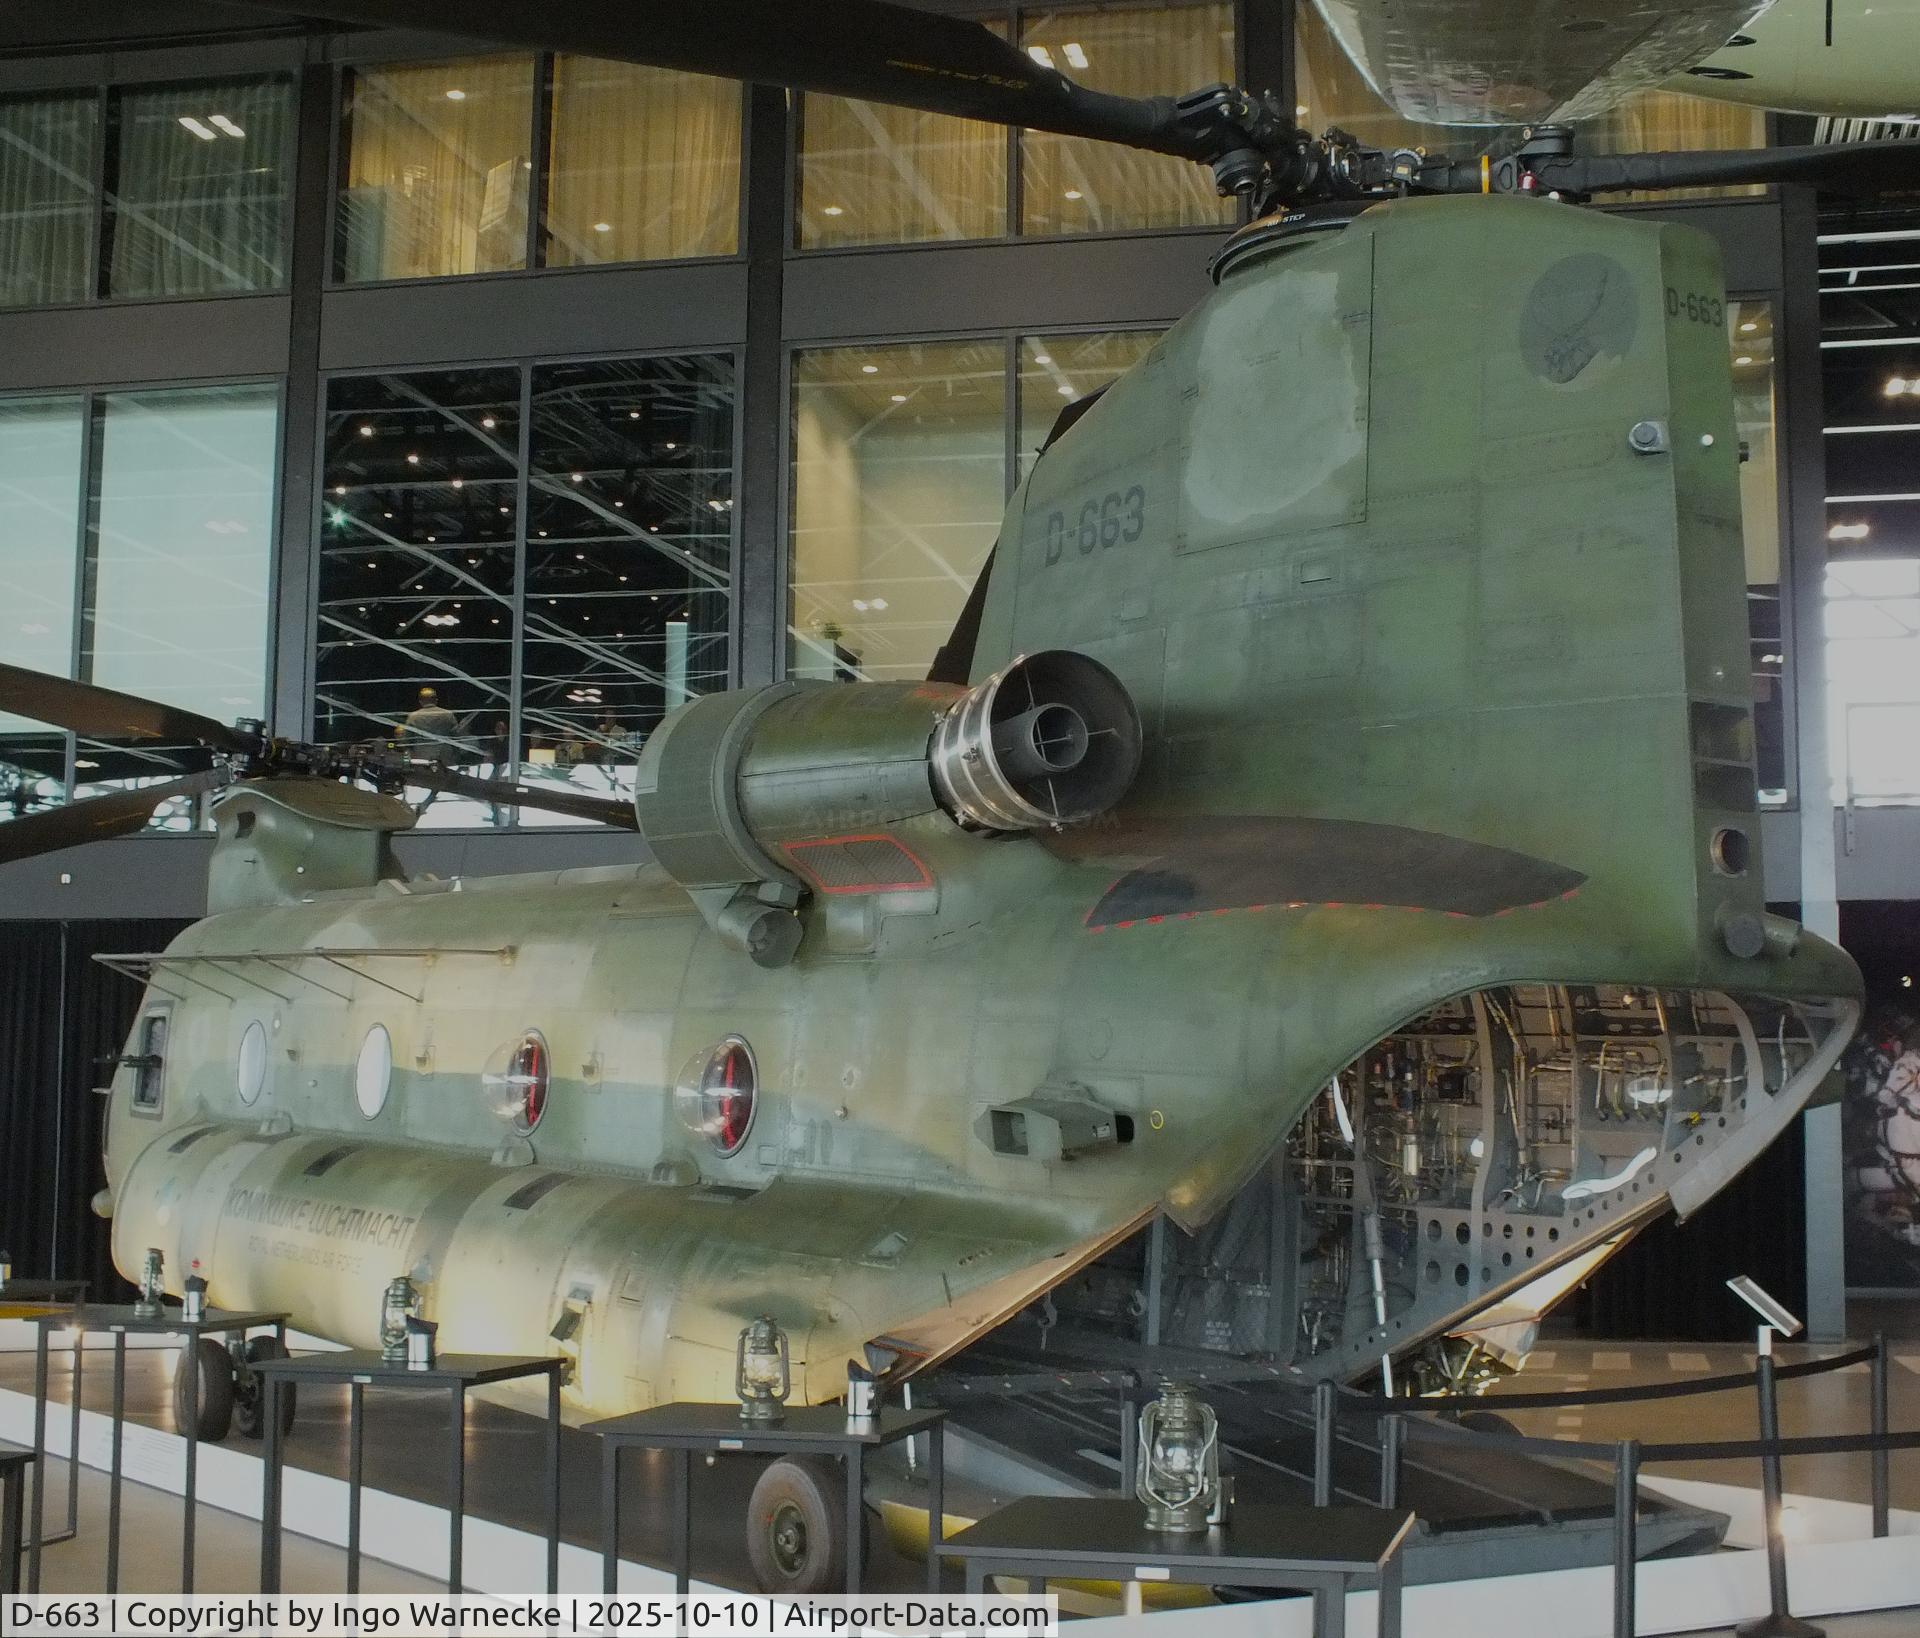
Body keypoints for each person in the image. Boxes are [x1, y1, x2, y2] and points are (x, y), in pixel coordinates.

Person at [400, 686, 458, 762]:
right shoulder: (448, 714)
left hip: (421, 757)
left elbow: (407, 740)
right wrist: (456, 754)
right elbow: (456, 736)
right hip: (445, 756)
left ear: (420, 701)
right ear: (436, 700)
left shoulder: (413, 716)